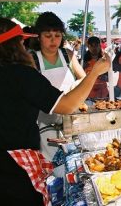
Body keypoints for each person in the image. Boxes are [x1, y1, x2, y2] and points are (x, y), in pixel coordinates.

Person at [0, 17, 109, 206]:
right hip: (16, 176)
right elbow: (67, 105)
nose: (23, 43)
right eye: (20, 40)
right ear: (12, 44)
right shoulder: (21, 75)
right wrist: (95, 73)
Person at [31, 12, 86, 166]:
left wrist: (75, 89)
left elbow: (83, 78)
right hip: (45, 120)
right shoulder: (32, 59)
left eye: (57, 35)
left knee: (74, 161)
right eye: (48, 35)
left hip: (72, 117)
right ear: (39, 37)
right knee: (50, 164)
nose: (53, 40)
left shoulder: (67, 55)